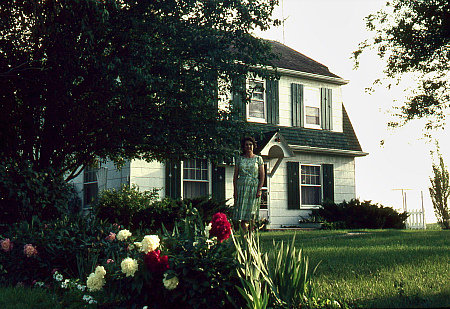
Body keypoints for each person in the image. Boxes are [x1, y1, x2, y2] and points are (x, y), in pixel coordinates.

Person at [233, 136, 265, 232]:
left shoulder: (258, 159)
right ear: (243, 146)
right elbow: (235, 176)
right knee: (242, 214)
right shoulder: (239, 159)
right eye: (246, 145)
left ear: (253, 146)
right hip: (241, 187)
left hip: (253, 188)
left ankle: (250, 236)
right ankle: (244, 236)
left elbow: (262, 176)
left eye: (250, 144)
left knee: (252, 214)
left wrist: (259, 189)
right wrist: (235, 191)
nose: (248, 146)